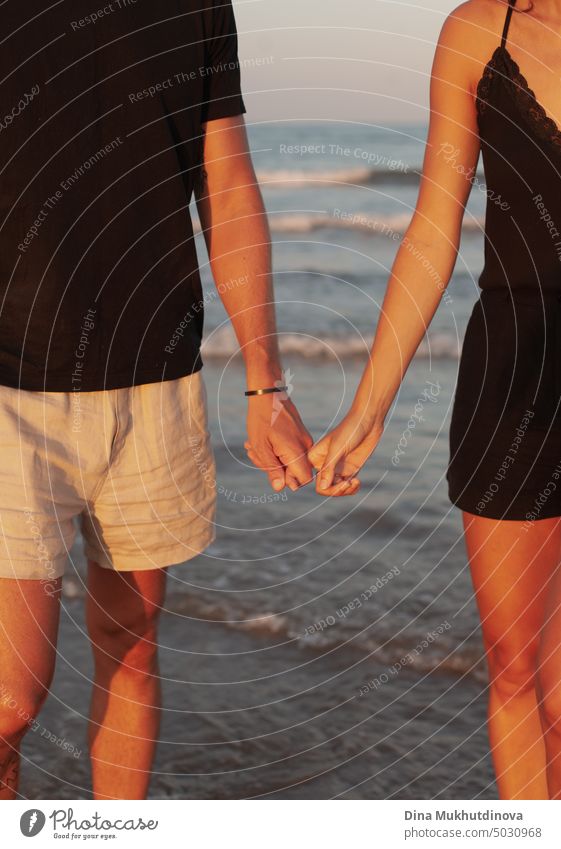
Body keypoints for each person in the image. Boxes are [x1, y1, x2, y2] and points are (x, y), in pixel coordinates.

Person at [0, 0, 313, 800]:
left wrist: (265, 380)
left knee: (130, 643)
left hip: (156, 378)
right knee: (10, 702)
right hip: (12, 389)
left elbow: (227, 184)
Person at [309, 0, 561, 800]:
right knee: (520, 671)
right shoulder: (473, 35)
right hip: (515, 373)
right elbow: (431, 230)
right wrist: (370, 406)